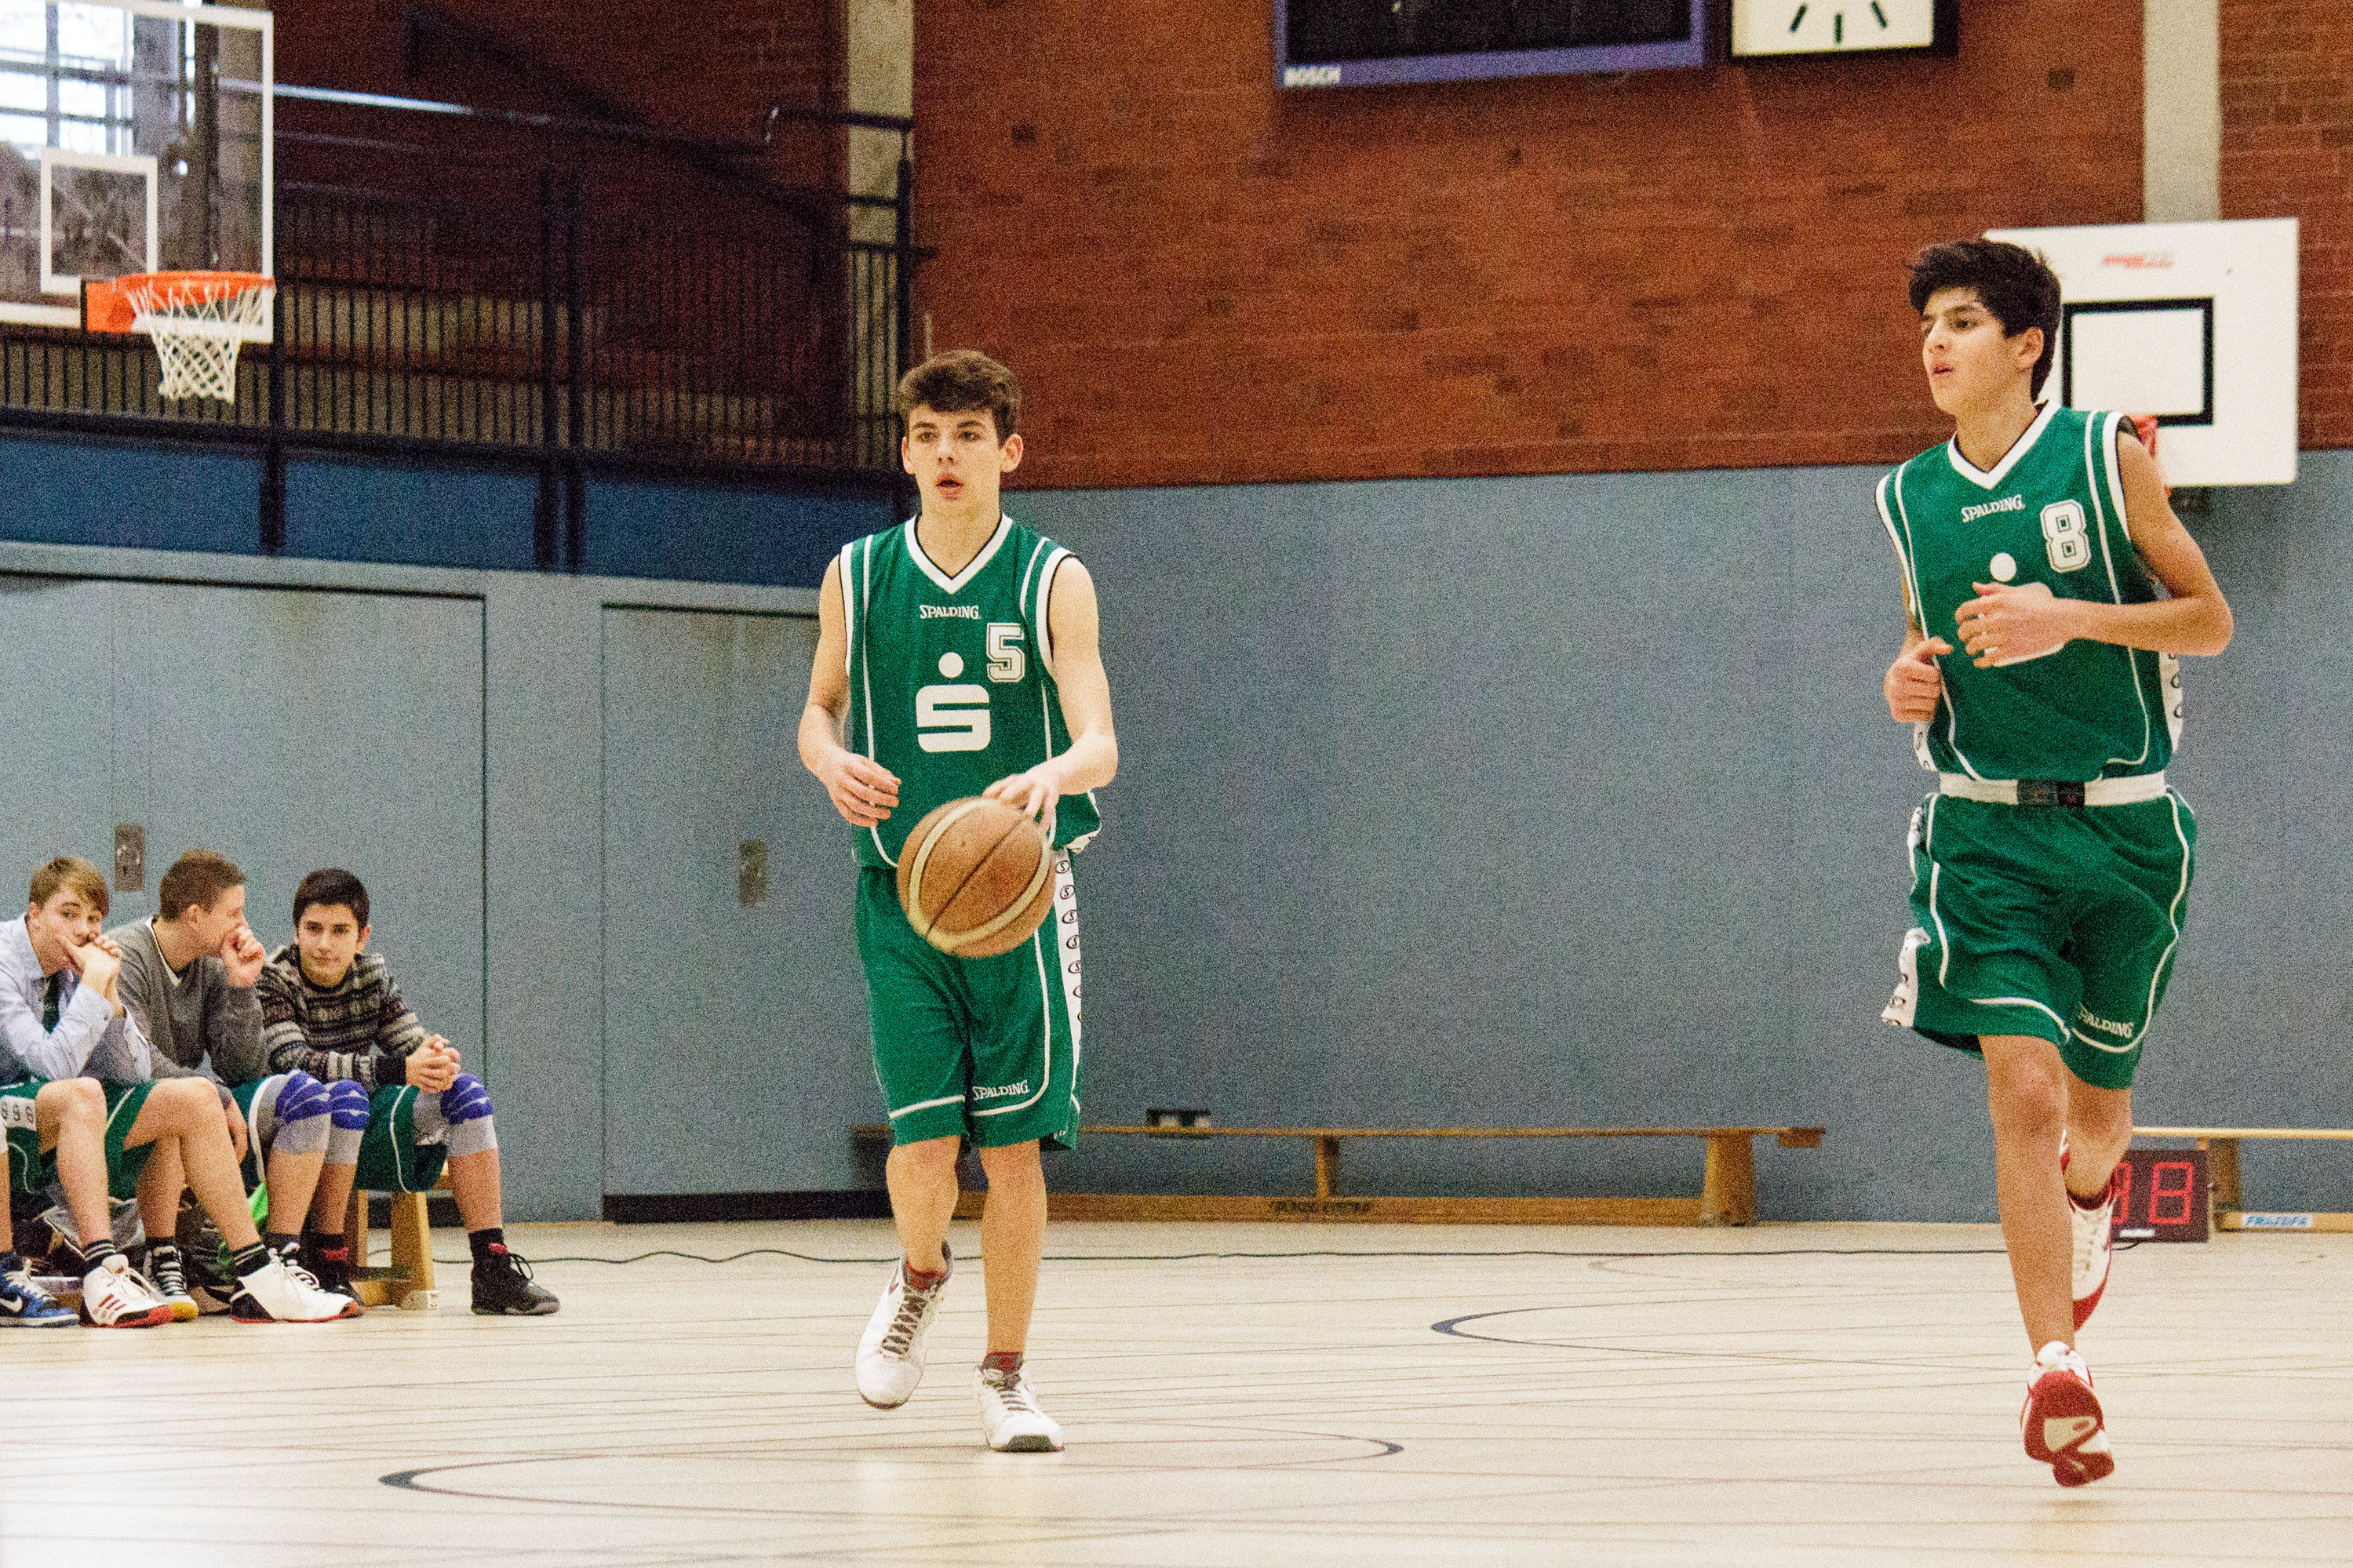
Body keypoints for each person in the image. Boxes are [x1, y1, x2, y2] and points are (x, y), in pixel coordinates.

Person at [1877, 239, 2233, 1486]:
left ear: (2025, 343)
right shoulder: (1905, 496)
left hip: (2125, 831)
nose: (1934, 341)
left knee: (2094, 1114)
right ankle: (2052, 1369)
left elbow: (2209, 621)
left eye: (1961, 321)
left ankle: (2091, 1203)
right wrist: (1906, 680)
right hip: (1985, 835)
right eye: (1927, 323)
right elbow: (1922, 640)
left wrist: (2065, 617)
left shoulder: (2104, 454)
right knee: (2021, 1093)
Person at [799, 350, 1118, 1452]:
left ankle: (1006, 1375)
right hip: (899, 893)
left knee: (1014, 1149)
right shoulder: (855, 574)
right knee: (925, 1145)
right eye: (928, 435)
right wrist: (826, 760)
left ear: (1007, 451)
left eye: (968, 435)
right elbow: (817, 710)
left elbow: (1101, 741)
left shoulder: (1052, 578)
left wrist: (1053, 774)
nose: (946, 453)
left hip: (1016, 900)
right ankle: (919, 1271)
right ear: (904, 452)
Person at [1, 856, 351, 1325]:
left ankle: (258, 1273)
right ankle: (103, 1271)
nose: (83, 930)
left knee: (194, 1097)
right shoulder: (7, 960)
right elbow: (51, 1068)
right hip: (17, 1108)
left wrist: (112, 1003)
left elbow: (134, 1070)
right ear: (34, 913)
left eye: (93, 918)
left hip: (54, 1110)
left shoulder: (80, 965)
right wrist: (95, 985)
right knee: (82, 1093)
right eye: (68, 914)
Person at [257, 868, 558, 1315]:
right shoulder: (274, 978)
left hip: (362, 1109)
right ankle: (327, 1260)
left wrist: (435, 1058)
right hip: (300, 1125)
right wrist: (401, 1068)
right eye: (313, 929)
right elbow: (296, 1062)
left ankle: (491, 1267)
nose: (323, 944)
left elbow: (409, 1041)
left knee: (467, 1094)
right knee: (345, 1095)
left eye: (339, 931)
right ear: (296, 932)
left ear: (362, 937)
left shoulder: (372, 975)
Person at [109, 849, 368, 1309]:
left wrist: (242, 985)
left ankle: (282, 1259)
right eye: (234, 912)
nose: (242, 924)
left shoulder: (213, 962)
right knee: (186, 1101)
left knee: (307, 1097)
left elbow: (242, 1068)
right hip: (129, 1103)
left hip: (194, 1101)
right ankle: (187, 1257)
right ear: (195, 916)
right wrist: (214, 1094)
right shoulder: (126, 954)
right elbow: (136, 1063)